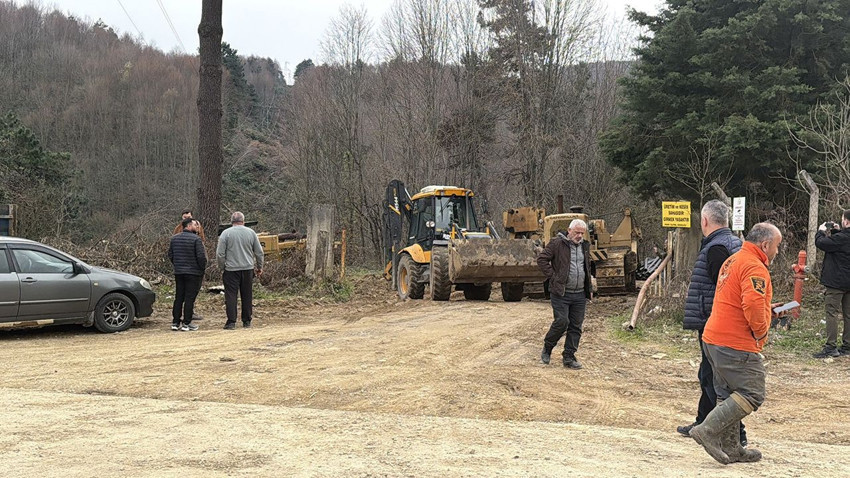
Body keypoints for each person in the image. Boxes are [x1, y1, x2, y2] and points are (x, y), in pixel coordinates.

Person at [690, 222, 783, 465]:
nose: (777, 251)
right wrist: (761, 331)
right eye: (777, 246)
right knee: (752, 393)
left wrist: (767, 310)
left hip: (714, 338)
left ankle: (732, 449)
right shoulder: (754, 266)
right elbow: (751, 305)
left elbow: (739, 300)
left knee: (727, 393)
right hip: (734, 342)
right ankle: (707, 430)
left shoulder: (733, 260)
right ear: (765, 244)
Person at [677, 200, 745, 444]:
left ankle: (736, 433)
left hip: (713, 321)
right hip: (718, 319)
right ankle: (702, 423)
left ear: (704, 221)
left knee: (713, 378)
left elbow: (723, 288)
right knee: (707, 374)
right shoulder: (733, 243)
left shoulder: (717, 248)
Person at [537, 219, 593, 369]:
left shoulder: (585, 246)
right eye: (577, 232)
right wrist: (553, 277)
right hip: (561, 292)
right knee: (562, 322)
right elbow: (542, 259)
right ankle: (547, 348)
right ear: (569, 230)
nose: (579, 236)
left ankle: (569, 357)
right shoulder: (557, 243)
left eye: (582, 233)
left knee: (576, 326)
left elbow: (586, 267)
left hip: (579, 294)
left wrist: (589, 287)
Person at [216, 211, 264, 330]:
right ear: (243, 221)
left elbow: (220, 254)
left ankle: (231, 322)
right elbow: (259, 252)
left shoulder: (225, 233)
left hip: (231, 269)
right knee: (247, 294)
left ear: (231, 221)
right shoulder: (251, 233)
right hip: (247, 268)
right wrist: (259, 267)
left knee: (231, 295)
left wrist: (222, 267)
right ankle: (247, 320)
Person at [812, 211, 850, 358]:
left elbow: (822, 243)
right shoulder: (841, 237)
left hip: (836, 282)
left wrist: (821, 232)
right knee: (848, 314)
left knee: (832, 313)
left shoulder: (841, 238)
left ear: (846, 222)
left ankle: (831, 347)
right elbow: (840, 245)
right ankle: (847, 346)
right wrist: (836, 231)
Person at [168, 217, 207, 331]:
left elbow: (170, 254)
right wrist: (202, 269)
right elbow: (201, 257)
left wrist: (177, 265)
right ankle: (187, 323)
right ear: (189, 226)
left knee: (179, 297)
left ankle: (175, 322)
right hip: (193, 272)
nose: (197, 227)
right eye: (195, 225)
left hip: (179, 272)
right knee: (189, 298)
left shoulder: (174, 239)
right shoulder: (196, 239)